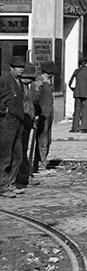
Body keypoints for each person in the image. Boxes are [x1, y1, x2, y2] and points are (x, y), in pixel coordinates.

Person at [0, 55, 27, 197]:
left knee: (18, 156)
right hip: (7, 123)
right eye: (18, 67)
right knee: (5, 157)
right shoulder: (4, 80)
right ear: (12, 68)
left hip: (18, 123)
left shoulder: (20, 82)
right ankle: (3, 187)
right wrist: (4, 111)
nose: (21, 69)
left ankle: (11, 184)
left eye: (22, 67)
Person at [29, 62, 56, 173]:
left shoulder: (47, 82)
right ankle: (40, 164)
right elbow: (34, 100)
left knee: (47, 139)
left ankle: (41, 162)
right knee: (42, 140)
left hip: (48, 114)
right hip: (42, 114)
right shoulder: (39, 82)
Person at [68, 57, 87, 133]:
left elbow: (71, 83)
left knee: (77, 110)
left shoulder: (77, 71)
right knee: (85, 110)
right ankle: (84, 127)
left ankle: (75, 127)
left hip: (77, 94)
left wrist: (74, 90)